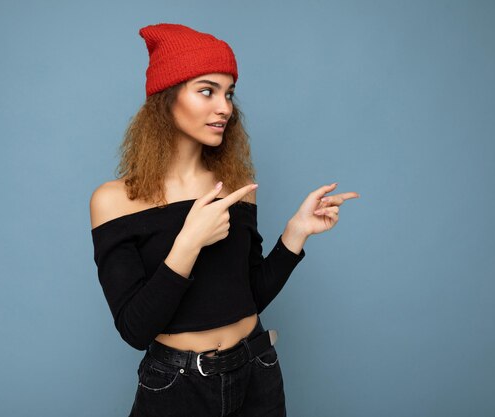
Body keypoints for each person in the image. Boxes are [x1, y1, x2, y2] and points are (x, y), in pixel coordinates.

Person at [89, 22, 360, 417]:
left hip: (257, 371)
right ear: (166, 98)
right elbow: (135, 330)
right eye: (207, 91)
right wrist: (188, 242)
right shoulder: (115, 200)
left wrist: (295, 234)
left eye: (229, 93)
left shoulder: (235, 186)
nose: (225, 108)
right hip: (177, 386)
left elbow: (247, 297)